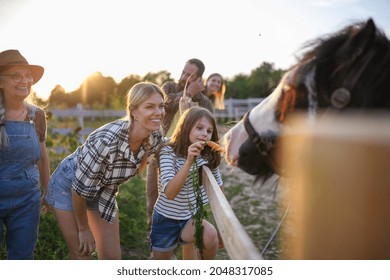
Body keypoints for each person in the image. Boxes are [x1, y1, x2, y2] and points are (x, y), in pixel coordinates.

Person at [45, 81, 165, 259]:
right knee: (82, 254)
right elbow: (78, 190)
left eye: (161, 106)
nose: (158, 112)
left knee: (111, 258)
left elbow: (174, 146)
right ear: (134, 111)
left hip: (102, 190)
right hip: (69, 186)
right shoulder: (107, 141)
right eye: (150, 107)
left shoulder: (155, 136)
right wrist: (83, 228)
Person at [146, 58, 213, 233]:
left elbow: (209, 127)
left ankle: (180, 240)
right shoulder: (169, 87)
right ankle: (154, 240)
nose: (183, 76)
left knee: (183, 202)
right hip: (161, 151)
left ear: (199, 78)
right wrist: (187, 94)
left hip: (187, 156)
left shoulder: (205, 102)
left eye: (189, 74)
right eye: (183, 71)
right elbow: (165, 104)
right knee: (153, 197)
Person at [150, 106, 223, 260]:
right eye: (200, 128)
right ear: (186, 127)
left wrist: (222, 228)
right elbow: (169, 193)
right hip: (165, 219)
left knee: (210, 236)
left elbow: (219, 190)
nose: (204, 133)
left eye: (209, 131)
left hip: (190, 218)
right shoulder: (168, 152)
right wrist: (189, 161)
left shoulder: (208, 155)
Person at [0, 49, 50, 259]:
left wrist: (48, 192)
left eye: (28, 75)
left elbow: (43, 157)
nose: (25, 81)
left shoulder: (36, 115)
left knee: (22, 258)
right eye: (16, 75)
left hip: (28, 200)